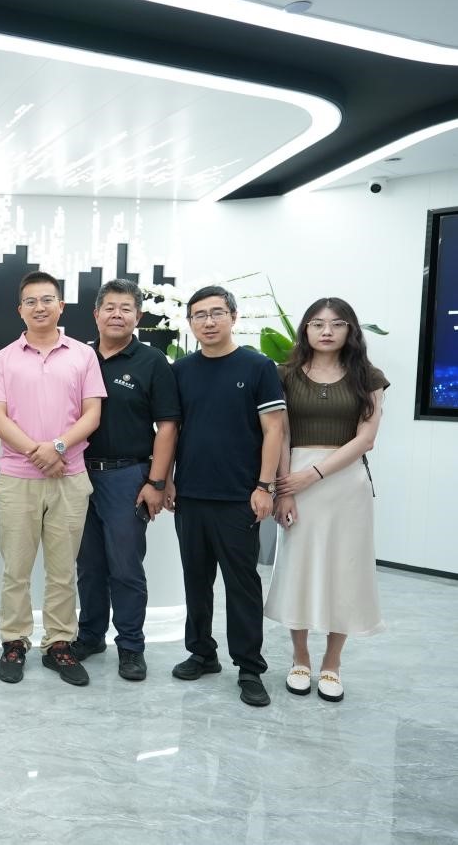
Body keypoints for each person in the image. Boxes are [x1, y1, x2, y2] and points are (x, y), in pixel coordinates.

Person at [0, 270, 105, 686]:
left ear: (61, 306)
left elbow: (92, 413)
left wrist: (58, 448)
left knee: (63, 570)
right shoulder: (3, 358)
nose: (40, 307)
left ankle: (59, 644)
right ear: (20, 310)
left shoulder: (82, 355)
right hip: (18, 478)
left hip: (69, 476)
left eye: (47, 299)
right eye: (31, 301)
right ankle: (14, 641)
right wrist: (39, 452)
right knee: (16, 569)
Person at [166, 285, 286, 708]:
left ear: (234, 317)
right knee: (196, 581)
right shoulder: (181, 370)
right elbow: (173, 430)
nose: (209, 321)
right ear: (190, 323)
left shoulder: (258, 366)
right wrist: (167, 480)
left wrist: (265, 486)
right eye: (199, 315)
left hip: (240, 497)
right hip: (191, 494)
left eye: (217, 312)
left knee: (242, 584)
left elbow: (274, 429)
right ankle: (202, 652)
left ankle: (250, 667)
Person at [267, 298, 388, 703]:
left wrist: (313, 474)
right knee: (298, 567)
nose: (326, 331)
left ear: (350, 330)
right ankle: (300, 657)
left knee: (345, 570)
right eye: (317, 323)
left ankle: (332, 663)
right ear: (305, 329)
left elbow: (366, 438)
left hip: (345, 485)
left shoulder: (368, 376)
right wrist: (285, 487)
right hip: (295, 481)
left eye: (337, 324)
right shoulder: (284, 375)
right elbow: (281, 434)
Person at [72, 279, 180, 682]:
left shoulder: (152, 361)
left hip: (127, 475)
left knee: (125, 567)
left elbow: (168, 426)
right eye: (110, 307)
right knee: (88, 565)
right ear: (96, 314)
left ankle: (131, 646)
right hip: (78, 474)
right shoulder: (79, 358)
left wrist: (156, 482)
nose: (117, 315)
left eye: (126, 308)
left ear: (138, 315)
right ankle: (90, 635)